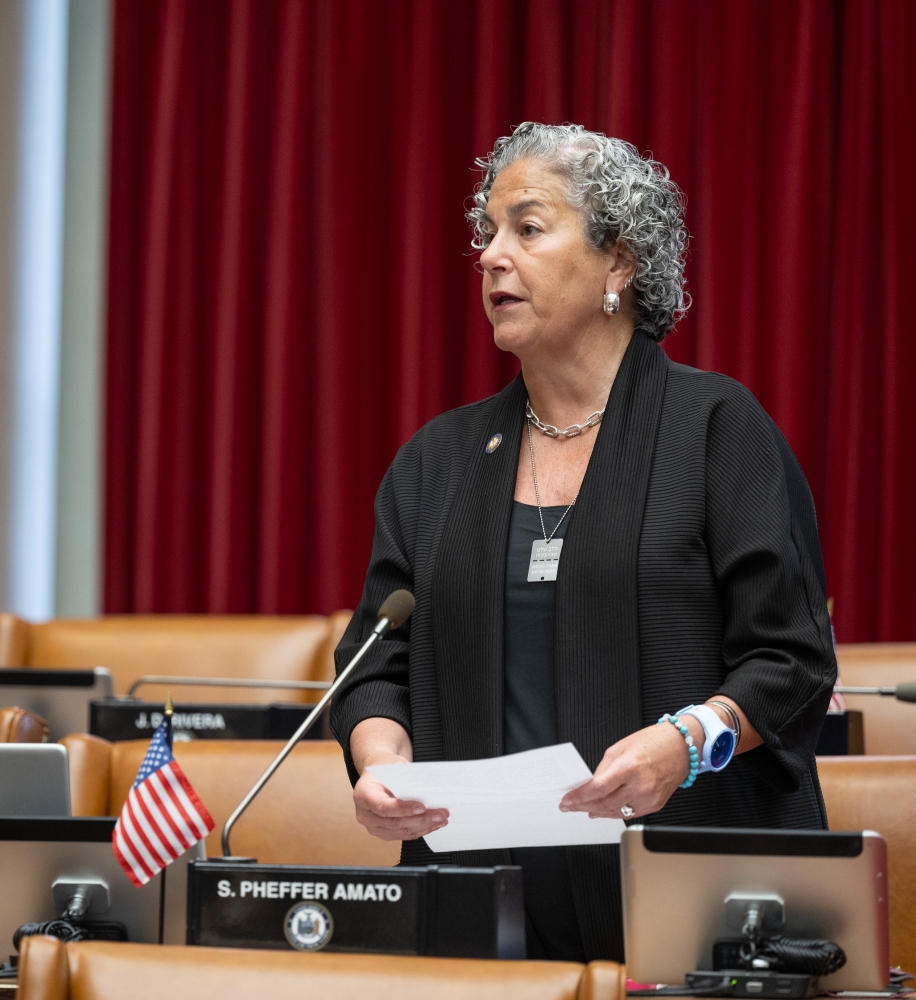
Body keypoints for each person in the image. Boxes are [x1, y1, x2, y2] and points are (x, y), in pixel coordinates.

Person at [330, 122, 837, 963]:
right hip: (478, 927)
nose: (491, 255)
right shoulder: (437, 461)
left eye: (527, 228)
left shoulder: (716, 429)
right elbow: (374, 663)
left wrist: (686, 743)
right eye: (487, 232)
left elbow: (792, 661)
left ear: (620, 263)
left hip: (690, 915)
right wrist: (381, 764)